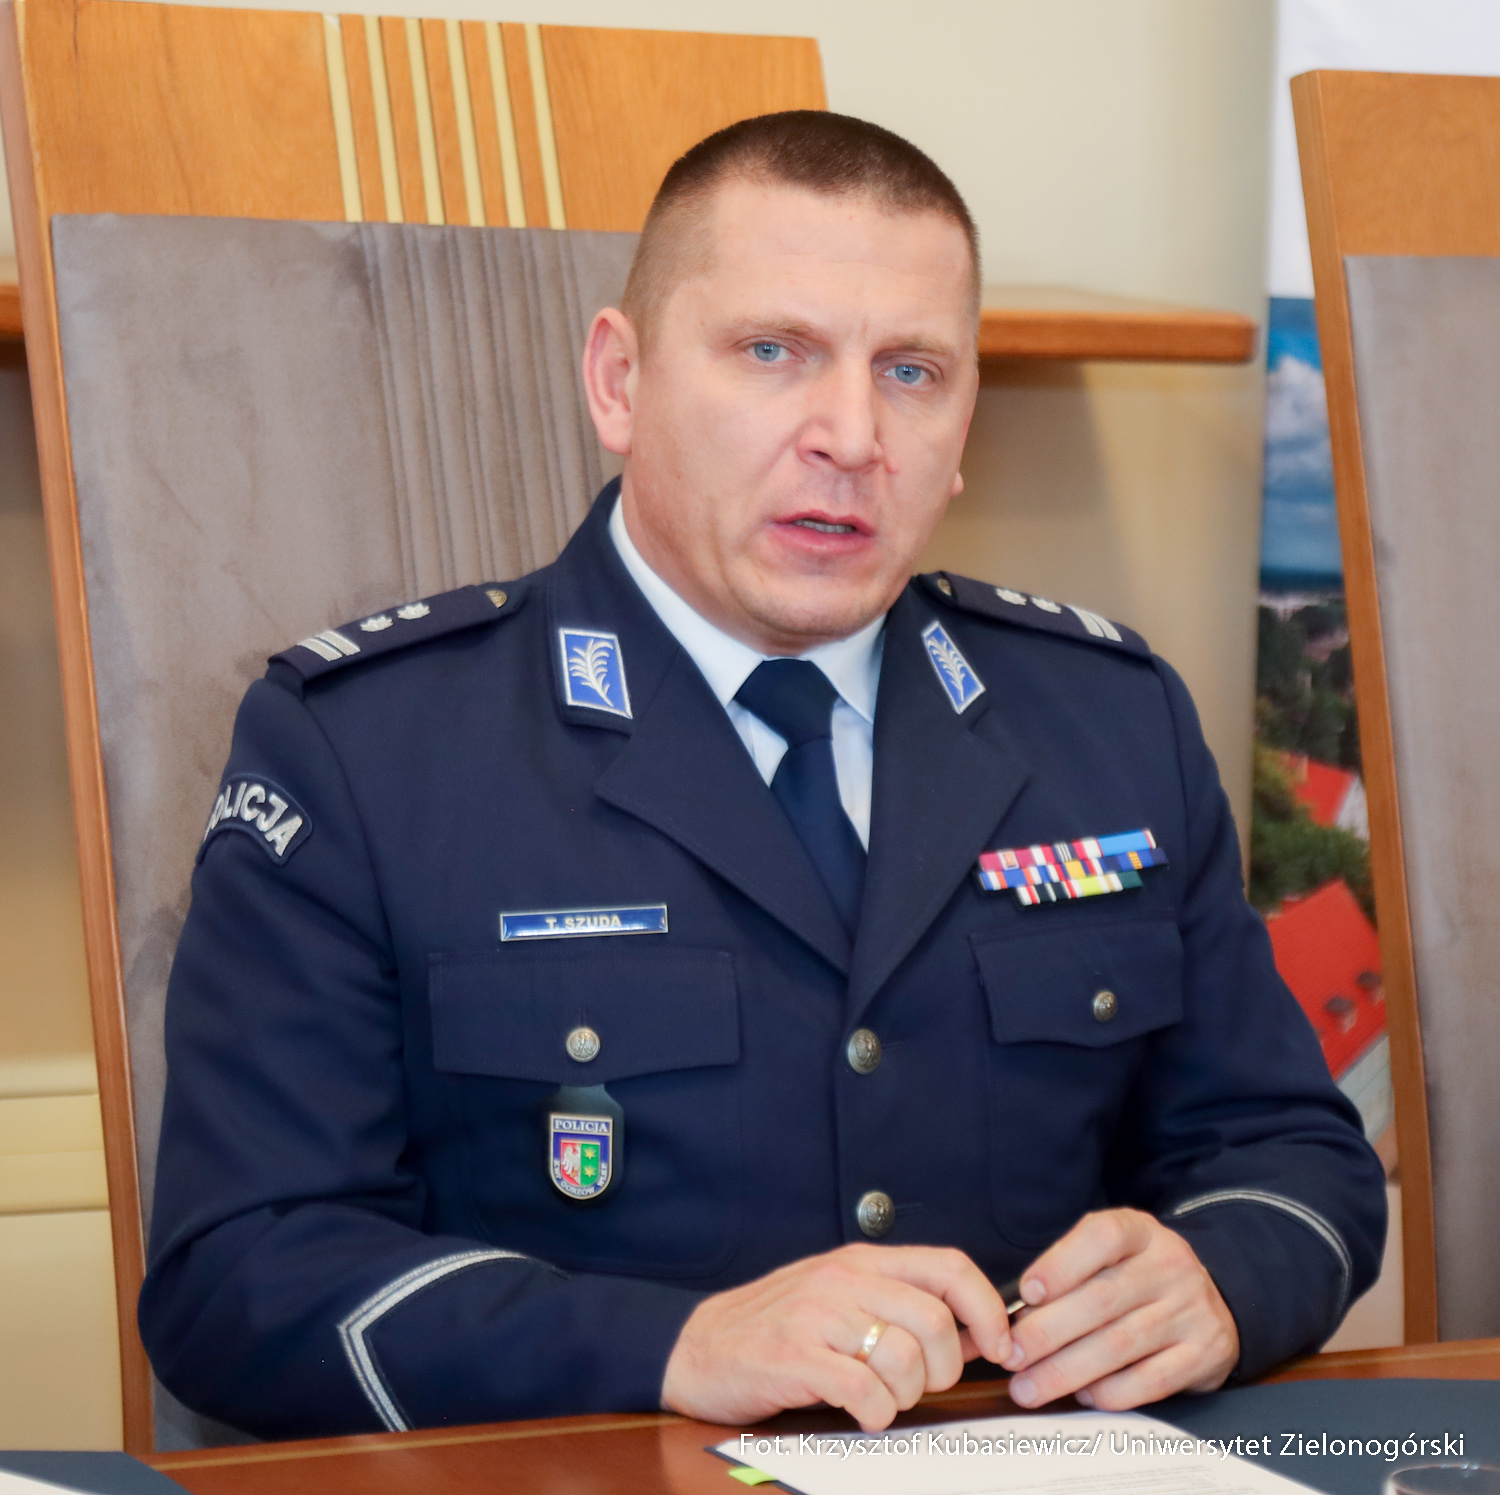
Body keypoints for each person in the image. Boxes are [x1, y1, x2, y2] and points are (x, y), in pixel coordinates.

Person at [141, 110, 1387, 1441]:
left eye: (912, 371)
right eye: (772, 352)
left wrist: (1217, 1278)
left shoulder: (1108, 722)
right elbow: (242, 1275)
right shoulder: (368, 750)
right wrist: (672, 1344)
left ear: (964, 423)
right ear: (619, 384)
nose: (851, 434)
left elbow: (1290, 1154)